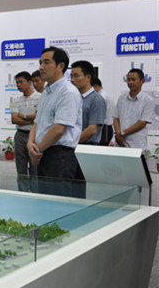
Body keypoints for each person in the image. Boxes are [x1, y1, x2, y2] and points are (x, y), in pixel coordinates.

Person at [27, 47, 82, 197]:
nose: (41, 67)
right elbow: (37, 122)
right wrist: (30, 143)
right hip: (43, 153)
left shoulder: (68, 92)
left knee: (58, 203)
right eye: (40, 63)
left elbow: (58, 129)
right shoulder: (46, 93)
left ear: (61, 66)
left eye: (46, 62)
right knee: (45, 201)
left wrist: (37, 151)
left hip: (60, 157)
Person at [11, 71, 41, 192]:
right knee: (21, 169)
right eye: (17, 82)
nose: (19, 85)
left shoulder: (40, 97)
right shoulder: (16, 100)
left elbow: (39, 117)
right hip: (20, 135)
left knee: (35, 169)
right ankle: (22, 193)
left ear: (29, 82)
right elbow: (14, 119)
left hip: (35, 136)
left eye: (21, 82)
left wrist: (22, 116)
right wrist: (31, 119)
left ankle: (35, 194)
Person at [113, 68, 153, 151]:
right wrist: (118, 134)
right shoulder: (121, 98)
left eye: (133, 79)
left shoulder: (148, 100)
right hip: (119, 143)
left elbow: (142, 123)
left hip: (136, 145)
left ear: (142, 81)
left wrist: (122, 133)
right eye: (128, 80)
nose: (130, 82)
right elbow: (116, 118)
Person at [70, 61, 106, 145]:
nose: (72, 80)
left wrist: (70, 142)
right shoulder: (74, 97)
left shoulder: (96, 100)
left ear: (88, 77)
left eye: (76, 76)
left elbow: (92, 130)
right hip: (73, 144)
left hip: (87, 146)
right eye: (71, 76)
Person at [92, 77, 115, 146]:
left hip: (103, 130)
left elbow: (99, 116)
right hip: (108, 127)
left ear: (95, 86)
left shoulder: (100, 97)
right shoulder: (108, 94)